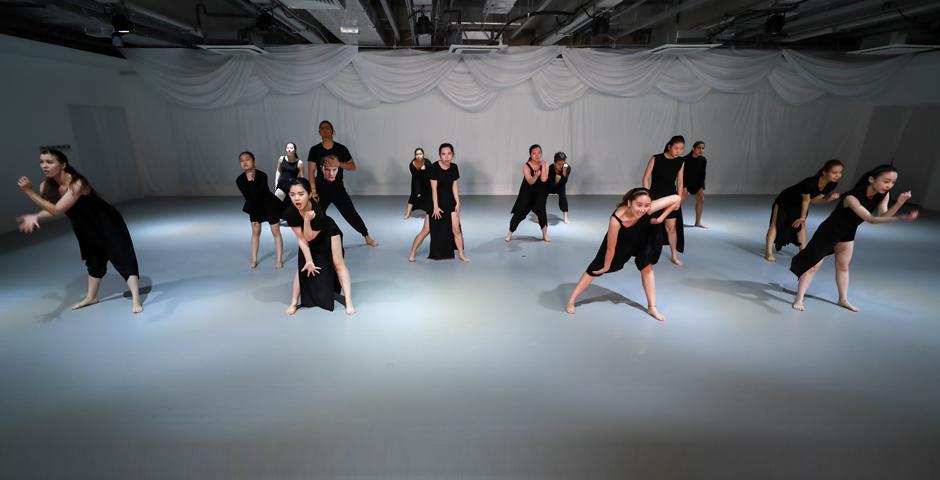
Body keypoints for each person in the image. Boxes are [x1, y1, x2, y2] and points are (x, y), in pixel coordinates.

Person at [16, 148, 143, 313]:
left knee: (121, 255)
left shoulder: (77, 183)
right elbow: (53, 207)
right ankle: (92, 297)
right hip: (84, 226)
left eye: (49, 162)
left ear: (63, 165)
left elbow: (57, 210)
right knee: (93, 259)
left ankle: (136, 298)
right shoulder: (45, 186)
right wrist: (36, 216)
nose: (44, 165)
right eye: (42, 162)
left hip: (106, 221)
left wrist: (29, 192)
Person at [789, 164, 918, 312]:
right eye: (886, 181)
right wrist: (901, 217)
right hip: (829, 232)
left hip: (848, 233)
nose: (889, 185)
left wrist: (899, 203)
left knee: (843, 266)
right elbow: (871, 219)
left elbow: (884, 215)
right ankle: (799, 298)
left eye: (893, 182)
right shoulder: (852, 197)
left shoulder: (884, 194)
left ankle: (843, 299)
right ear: (871, 179)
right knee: (814, 266)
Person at [565, 188, 681, 321]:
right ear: (629, 203)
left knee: (647, 266)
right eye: (639, 205)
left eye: (647, 205)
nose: (643, 209)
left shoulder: (649, 208)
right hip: (622, 240)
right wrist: (606, 266)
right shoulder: (616, 220)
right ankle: (571, 300)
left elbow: (676, 198)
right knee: (596, 267)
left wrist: (660, 218)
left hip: (643, 236)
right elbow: (610, 249)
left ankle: (652, 307)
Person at [284, 178, 355, 315]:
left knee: (338, 264)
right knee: (301, 267)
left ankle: (349, 300)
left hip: (329, 232)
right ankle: (293, 302)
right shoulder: (290, 213)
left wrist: (306, 220)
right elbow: (302, 238)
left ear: (309, 194)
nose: (296, 198)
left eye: (301, 194)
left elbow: (309, 237)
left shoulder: (319, 212)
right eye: (292, 195)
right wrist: (309, 260)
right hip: (307, 235)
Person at [306, 120, 378, 247]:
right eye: (322, 128)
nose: (324, 130)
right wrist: (313, 191)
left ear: (332, 131)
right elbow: (311, 171)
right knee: (315, 215)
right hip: (321, 190)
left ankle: (366, 236)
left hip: (337, 189)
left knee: (350, 213)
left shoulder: (341, 149)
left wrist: (338, 163)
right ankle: (312, 240)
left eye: (327, 128)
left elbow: (352, 166)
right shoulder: (315, 150)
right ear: (319, 132)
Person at [765, 159, 844, 262]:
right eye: (834, 172)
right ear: (824, 172)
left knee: (801, 227)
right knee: (775, 224)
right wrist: (802, 217)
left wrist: (829, 199)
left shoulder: (832, 184)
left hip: (799, 204)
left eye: (840, 173)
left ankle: (803, 253)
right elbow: (806, 200)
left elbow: (813, 200)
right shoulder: (810, 182)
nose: (837, 175)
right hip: (785, 200)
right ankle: (768, 253)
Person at [411, 142, 469, 262]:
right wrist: (436, 207)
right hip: (434, 202)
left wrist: (458, 202)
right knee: (426, 230)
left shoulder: (454, 167)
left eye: (449, 154)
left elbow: (454, 186)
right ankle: (412, 252)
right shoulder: (434, 168)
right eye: (443, 154)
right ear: (439, 155)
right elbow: (433, 189)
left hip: (450, 201)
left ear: (452, 154)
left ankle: (461, 254)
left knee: (456, 230)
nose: (446, 157)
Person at [642, 135, 686, 266]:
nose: (678, 151)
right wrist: (647, 198)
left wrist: (678, 200)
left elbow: (680, 182)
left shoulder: (680, 161)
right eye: (676, 148)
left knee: (671, 228)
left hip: (671, 198)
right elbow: (645, 179)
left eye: (681, 148)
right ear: (669, 146)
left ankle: (674, 256)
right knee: (650, 227)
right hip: (655, 197)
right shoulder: (656, 158)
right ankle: (645, 255)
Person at [236, 151, 284, 269]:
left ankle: (279, 260)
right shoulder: (239, 180)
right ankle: (253, 259)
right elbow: (248, 198)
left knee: (275, 231)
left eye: (247, 159)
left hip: (269, 204)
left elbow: (261, 195)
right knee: (255, 232)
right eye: (241, 161)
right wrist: (255, 215)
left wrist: (251, 181)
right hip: (254, 206)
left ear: (254, 162)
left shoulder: (262, 175)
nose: (244, 162)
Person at [506, 144, 550, 242]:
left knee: (542, 213)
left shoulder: (545, 164)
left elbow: (544, 179)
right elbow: (530, 181)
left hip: (539, 193)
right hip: (527, 193)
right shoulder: (526, 166)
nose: (537, 155)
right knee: (519, 214)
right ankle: (509, 233)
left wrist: (543, 166)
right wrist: (536, 176)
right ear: (530, 154)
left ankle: (545, 235)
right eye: (534, 153)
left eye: (539, 153)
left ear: (541, 153)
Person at [681, 141, 708, 228]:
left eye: (703, 148)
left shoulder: (703, 160)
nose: (701, 150)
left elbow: (703, 174)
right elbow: (680, 174)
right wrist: (683, 186)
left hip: (697, 183)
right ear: (693, 148)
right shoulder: (684, 159)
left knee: (701, 200)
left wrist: (702, 186)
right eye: (699, 148)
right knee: (680, 200)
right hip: (686, 182)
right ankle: (674, 220)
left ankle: (698, 222)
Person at [404, 147, 431, 219]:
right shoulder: (411, 165)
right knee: (413, 196)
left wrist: (424, 170)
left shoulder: (427, 162)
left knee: (428, 197)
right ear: (415, 155)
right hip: (416, 182)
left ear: (423, 155)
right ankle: (408, 213)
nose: (419, 156)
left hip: (426, 182)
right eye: (417, 154)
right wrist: (418, 191)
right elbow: (416, 178)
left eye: (420, 154)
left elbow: (430, 174)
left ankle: (429, 213)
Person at [546, 151, 571, 224]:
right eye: (559, 164)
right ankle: (538, 215)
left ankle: (565, 217)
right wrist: (556, 181)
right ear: (554, 163)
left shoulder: (567, 167)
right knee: (541, 195)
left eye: (563, 164)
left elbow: (564, 182)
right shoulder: (550, 168)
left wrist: (564, 173)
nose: (561, 166)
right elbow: (549, 183)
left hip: (560, 185)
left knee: (563, 196)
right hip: (550, 185)